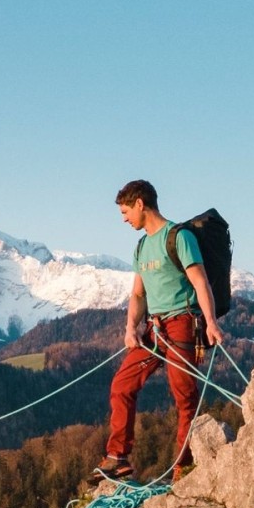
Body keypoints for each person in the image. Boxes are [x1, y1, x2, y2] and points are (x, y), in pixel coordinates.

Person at [92, 180, 225, 482]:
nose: (124, 218)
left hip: (182, 324)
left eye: (125, 211)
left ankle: (183, 467)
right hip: (154, 327)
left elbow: (200, 281)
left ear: (140, 204)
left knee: (184, 397)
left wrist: (211, 322)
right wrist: (130, 328)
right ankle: (118, 458)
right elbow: (138, 294)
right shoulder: (141, 246)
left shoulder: (178, 236)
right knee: (122, 385)